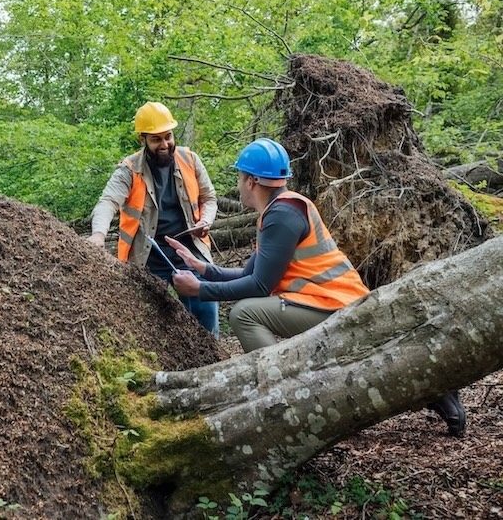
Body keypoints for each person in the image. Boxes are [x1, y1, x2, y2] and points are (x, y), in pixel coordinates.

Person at [166, 137, 466, 437]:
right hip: (326, 301)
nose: (239, 182)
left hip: (334, 305)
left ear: (252, 181)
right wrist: (204, 269)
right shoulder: (278, 210)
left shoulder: (281, 216)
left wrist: (200, 290)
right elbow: (250, 272)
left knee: (244, 314)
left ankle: (284, 398)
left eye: (240, 176)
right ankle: (438, 393)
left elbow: (258, 286)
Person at [87, 101, 219, 336]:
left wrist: (205, 221)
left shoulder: (190, 159)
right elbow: (107, 202)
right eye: (156, 139)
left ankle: (214, 359)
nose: (164, 144)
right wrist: (98, 234)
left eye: (167, 137)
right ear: (143, 140)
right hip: (147, 256)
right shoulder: (129, 169)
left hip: (190, 250)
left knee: (205, 307)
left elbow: (209, 198)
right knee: (148, 320)